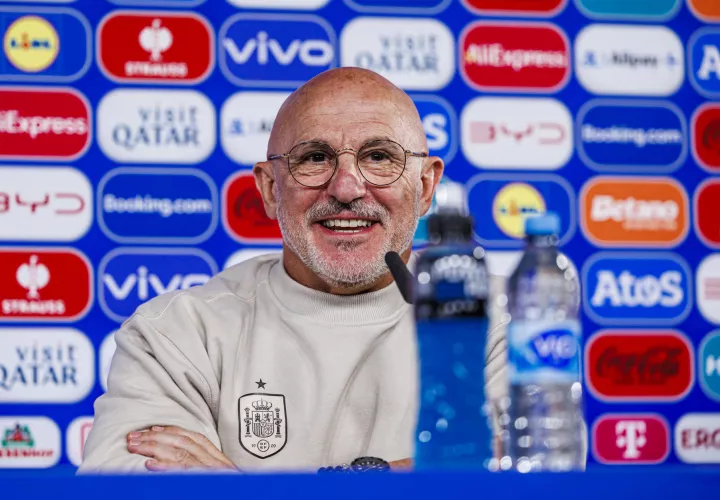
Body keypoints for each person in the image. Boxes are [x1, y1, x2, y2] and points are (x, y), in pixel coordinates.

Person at [78, 67, 562, 474]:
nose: (348, 187)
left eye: (379, 157)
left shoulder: (501, 319)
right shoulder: (180, 331)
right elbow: (124, 482)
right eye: (314, 158)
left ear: (426, 186)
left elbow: (526, 472)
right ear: (270, 189)